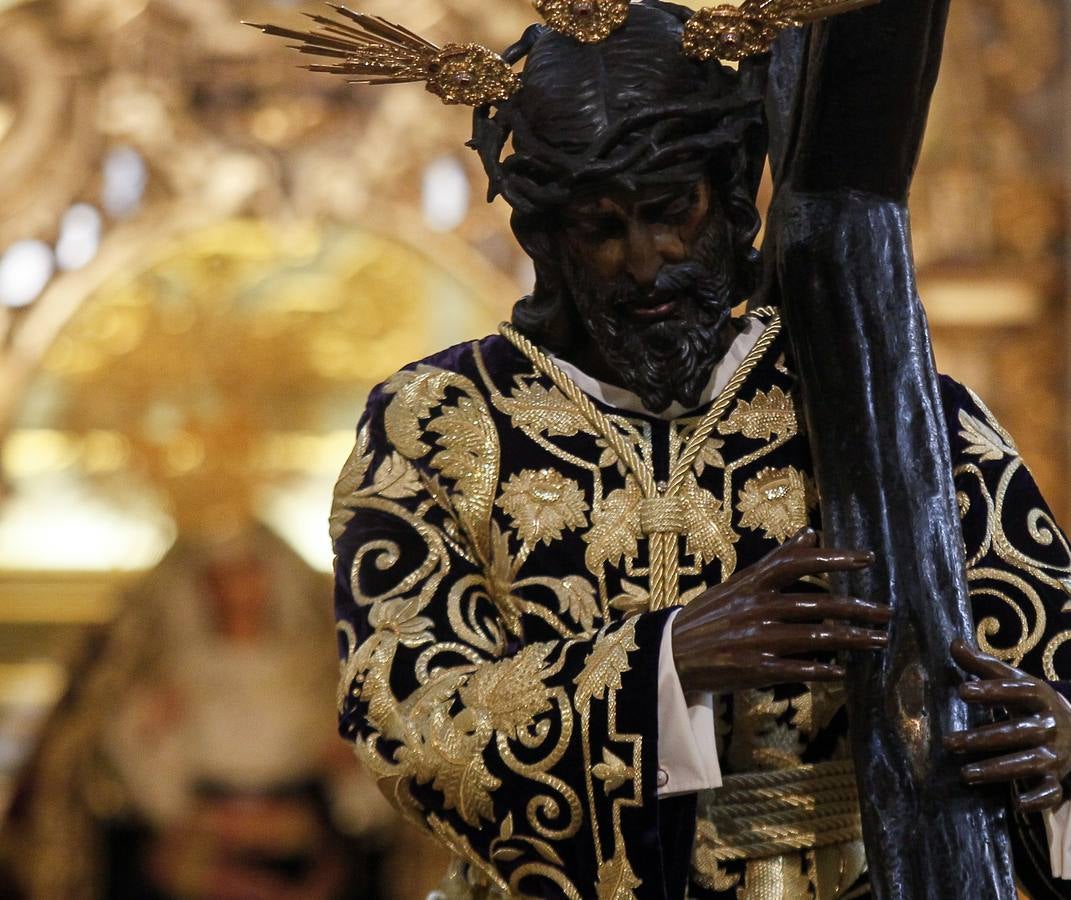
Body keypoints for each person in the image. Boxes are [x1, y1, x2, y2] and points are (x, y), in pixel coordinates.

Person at [272, 2, 1071, 896]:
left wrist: (1052, 740)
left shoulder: (886, 406)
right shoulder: (438, 426)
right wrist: (663, 663)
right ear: (545, 235)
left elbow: (1044, 651)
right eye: (601, 229)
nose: (645, 262)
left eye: (669, 211)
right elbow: (405, 722)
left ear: (730, 198)